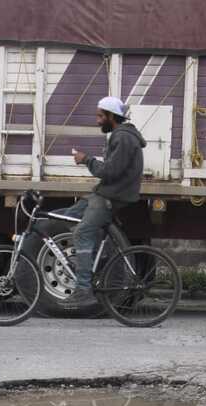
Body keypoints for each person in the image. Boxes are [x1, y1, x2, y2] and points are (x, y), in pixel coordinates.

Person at [49, 97, 146, 301]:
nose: (98, 120)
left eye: (101, 116)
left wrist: (87, 160)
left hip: (111, 196)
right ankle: (93, 255)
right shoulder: (120, 135)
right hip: (104, 193)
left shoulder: (123, 138)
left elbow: (110, 172)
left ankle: (83, 289)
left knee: (83, 233)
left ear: (112, 116)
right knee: (68, 217)